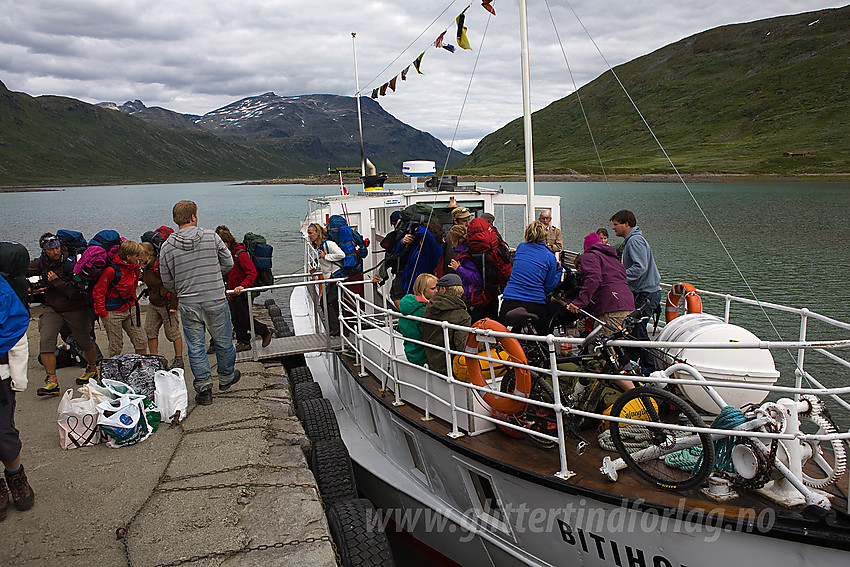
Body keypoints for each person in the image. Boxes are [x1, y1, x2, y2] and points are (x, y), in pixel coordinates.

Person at [160, 200, 239, 406]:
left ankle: (204, 389)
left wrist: (181, 288)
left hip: (188, 302)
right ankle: (226, 377)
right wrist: (213, 275)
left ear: (176, 219)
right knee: (223, 341)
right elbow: (229, 263)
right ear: (193, 217)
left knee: (195, 347)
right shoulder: (211, 237)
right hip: (215, 297)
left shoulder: (167, 246)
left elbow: (166, 278)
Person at [28, 233, 99, 396]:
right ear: (44, 251)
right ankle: (52, 381)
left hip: (75, 307)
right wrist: (26, 286)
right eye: (51, 249)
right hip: (52, 308)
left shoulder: (72, 263)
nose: (55, 251)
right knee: (46, 341)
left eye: (57, 247)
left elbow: (77, 291)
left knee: (85, 342)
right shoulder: (41, 263)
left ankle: (92, 368)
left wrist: (55, 282)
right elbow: (20, 270)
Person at [0, 242, 35, 519]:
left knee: (4, 432)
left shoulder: (3, 290)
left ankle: (15, 475)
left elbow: (15, 334)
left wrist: (18, 378)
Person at [610, 209, 662, 366]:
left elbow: (640, 267)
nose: (613, 228)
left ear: (626, 224)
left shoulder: (634, 241)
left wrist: (620, 276)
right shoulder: (632, 240)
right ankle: (633, 365)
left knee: (638, 332)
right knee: (633, 331)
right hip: (644, 292)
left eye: (616, 224)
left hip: (646, 294)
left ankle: (650, 371)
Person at [215, 226, 273, 350]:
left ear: (226, 243)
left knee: (244, 318)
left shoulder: (240, 254)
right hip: (234, 291)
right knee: (235, 318)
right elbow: (231, 274)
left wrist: (243, 285)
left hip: (242, 291)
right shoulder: (229, 255)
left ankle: (264, 331)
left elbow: (252, 272)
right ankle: (243, 342)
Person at [499, 221, 562, 335]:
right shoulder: (550, 257)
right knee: (543, 335)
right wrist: (558, 271)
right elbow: (548, 287)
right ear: (544, 236)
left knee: (503, 336)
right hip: (535, 303)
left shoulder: (521, 248)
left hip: (510, 300)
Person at [567, 233, 635, 329]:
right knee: (623, 342)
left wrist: (579, 302)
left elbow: (593, 278)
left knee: (601, 342)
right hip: (628, 304)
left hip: (611, 306)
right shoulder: (613, 259)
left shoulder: (589, 255)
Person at [93, 240, 147, 358]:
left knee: (141, 341)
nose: (140, 258)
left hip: (130, 307)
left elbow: (133, 285)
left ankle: (142, 368)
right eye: (137, 255)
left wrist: (133, 303)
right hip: (112, 312)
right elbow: (98, 292)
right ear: (128, 256)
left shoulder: (135, 267)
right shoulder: (111, 271)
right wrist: (103, 314)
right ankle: (112, 372)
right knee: (116, 346)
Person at [140, 242, 183, 368]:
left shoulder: (158, 267)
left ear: (147, 254)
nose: (138, 258)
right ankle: (155, 359)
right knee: (150, 330)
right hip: (154, 303)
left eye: (140, 255)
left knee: (172, 332)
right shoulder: (146, 267)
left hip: (166, 303)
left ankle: (179, 359)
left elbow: (172, 283)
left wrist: (174, 306)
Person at [421, 273, 471, 376]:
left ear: (443, 290)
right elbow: (463, 346)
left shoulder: (430, 307)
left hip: (433, 361)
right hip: (450, 367)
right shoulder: (462, 316)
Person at [447, 225, 494, 323]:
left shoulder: (466, 256)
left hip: (476, 298)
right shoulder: (470, 251)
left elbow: (477, 278)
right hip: (484, 296)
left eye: (452, 240)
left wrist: (459, 268)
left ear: (456, 241)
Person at [307, 222, 346, 335]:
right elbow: (326, 264)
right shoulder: (321, 246)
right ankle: (341, 329)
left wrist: (326, 256)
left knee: (326, 302)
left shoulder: (328, 244)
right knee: (333, 304)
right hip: (331, 278)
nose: (309, 235)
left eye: (310, 233)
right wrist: (317, 270)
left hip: (336, 277)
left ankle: (336, 329)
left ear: (317, 233)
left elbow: (341, 255)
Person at [397, 273, 438, 367]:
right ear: (422, 290)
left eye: (437, 288)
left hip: (411, 353)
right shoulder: (424, 311)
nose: (436, 291)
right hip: (424, 357)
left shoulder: (408, 306)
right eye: (433, 289)